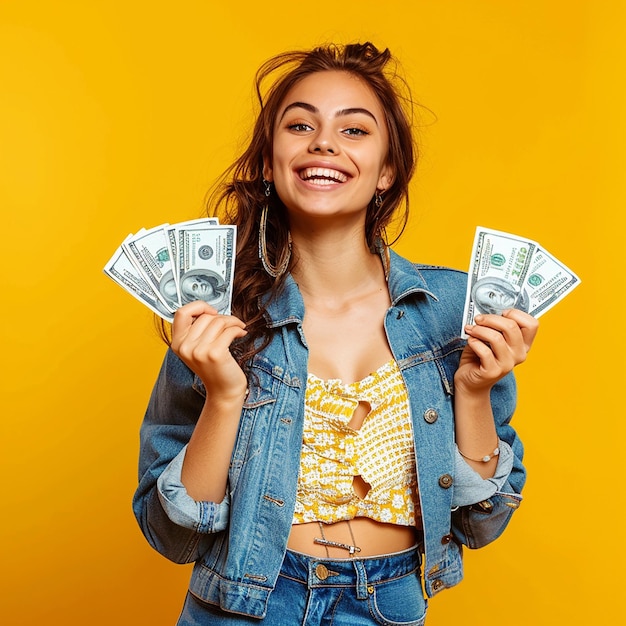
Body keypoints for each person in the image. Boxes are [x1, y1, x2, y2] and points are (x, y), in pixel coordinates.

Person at [132, 42, 539, 625]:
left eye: (354, 130)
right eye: (300, 125)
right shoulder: (218, 314)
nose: (323, 142)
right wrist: (225, 395)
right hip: (245, 606)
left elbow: (481, 522)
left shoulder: (453, 311)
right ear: (270, 163)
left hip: (388, 606)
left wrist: (473, 394)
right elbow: (173, 536)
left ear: (387, 170)